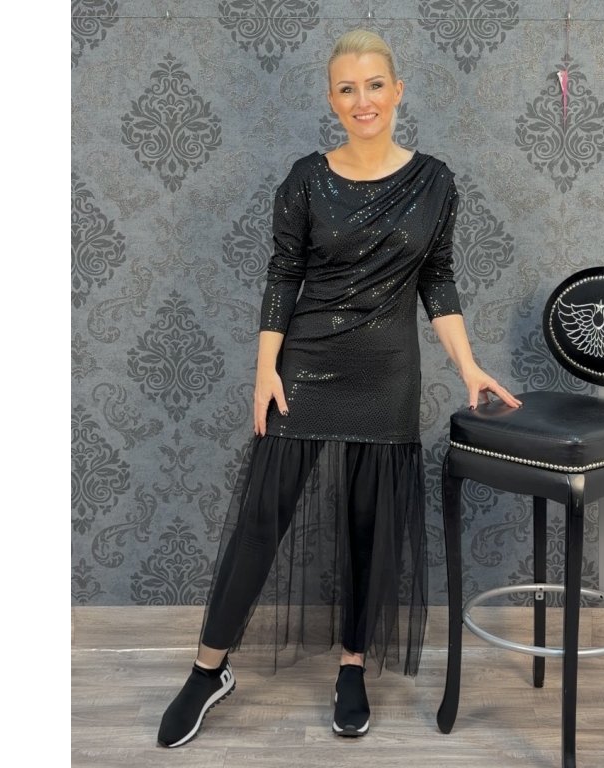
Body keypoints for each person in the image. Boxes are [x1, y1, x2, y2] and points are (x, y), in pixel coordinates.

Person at [157, 28, 520, 748]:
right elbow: (282, 274)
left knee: (368, 528)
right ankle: (207, 671)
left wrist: (468, 365)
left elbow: (437, 278)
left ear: (398, 91)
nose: (363, 101)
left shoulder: (435, 182)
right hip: (307, 365)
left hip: (387, 373)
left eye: (374, 85)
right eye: (348, 89)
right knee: (260, 522)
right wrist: (265, 369)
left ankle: (352, 667)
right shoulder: (305, 178)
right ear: (332, 99)